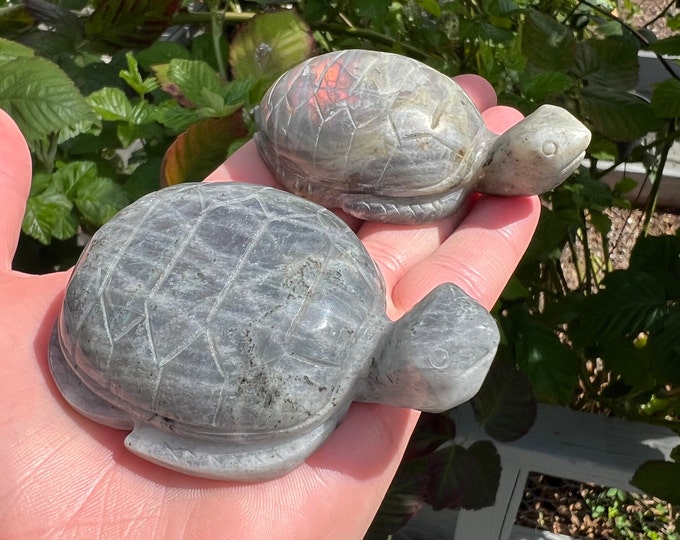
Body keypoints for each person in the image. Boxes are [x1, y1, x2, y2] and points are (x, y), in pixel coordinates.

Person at [0, 74, 540, 539]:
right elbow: (178, 444)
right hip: (114, 315)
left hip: (131, 287)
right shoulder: (303, 409)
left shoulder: (351, 275)